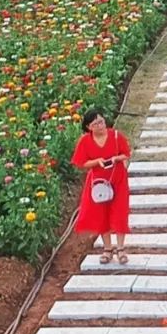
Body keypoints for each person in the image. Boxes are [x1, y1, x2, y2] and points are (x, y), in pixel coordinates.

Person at [72, 107, 132, 264]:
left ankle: (120, 248)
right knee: (101, 214)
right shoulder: (85, 141)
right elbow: (81, 162)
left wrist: (117, 159)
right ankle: (107, 248)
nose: (100, 125)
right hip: (98, 182)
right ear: (88, 127)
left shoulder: (117, 136)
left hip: (117, 179)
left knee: (119, 213)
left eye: (101, 121)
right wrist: (97, 162)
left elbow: (126, 153)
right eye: (95, 124)